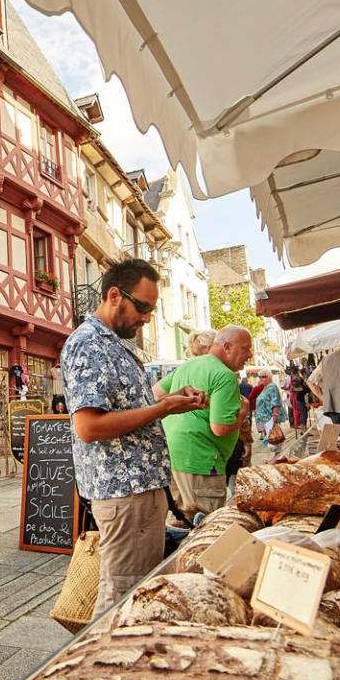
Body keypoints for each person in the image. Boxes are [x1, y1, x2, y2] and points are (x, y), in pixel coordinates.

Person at [60, 258, 207, 615]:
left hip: (137, 490)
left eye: (151, 310)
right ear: (114, 295)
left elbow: (122, 408)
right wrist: (163, 409)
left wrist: (167, 399)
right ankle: (105, 666)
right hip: (124, 493)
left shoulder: (112, 343)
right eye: (143, 307)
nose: (147, 318)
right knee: (122, 602)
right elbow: (89, 427)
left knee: (135, 594)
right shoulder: (89, 344)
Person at [153, 326, 253, 514]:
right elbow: (220, 428)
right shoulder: (224, 374)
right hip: (200, 460)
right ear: (227, 347)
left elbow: (154, 394)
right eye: (245, 348)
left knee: (178, 522)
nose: (250, 354)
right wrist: (242, 413)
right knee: (202, 529)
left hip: (171, 454)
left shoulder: (187, 366)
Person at [254, 370, 286, 449]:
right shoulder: (266, 387)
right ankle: (276, 456)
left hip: (270, 416)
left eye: (263, 377)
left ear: (269, 377)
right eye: (260, 377)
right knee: (273, 438)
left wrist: (275, 415)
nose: (261, 379)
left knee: (273, 438)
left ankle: (277, 456)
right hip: (266, 417)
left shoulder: (272, 387)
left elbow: (275, 401)